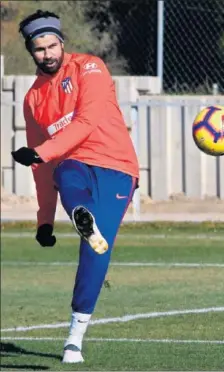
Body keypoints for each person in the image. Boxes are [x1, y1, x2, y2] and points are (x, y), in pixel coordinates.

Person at [12, 9, 139, 364]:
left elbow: (86, 122)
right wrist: (44, 220)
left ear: (62, 42)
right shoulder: (33, 99)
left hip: (115, 167)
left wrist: (39, 151)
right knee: (63, 172)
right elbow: (43, 167)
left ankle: (74, 337)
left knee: (97, 250)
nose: (48, 54)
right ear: (30, 51)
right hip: (72, 165)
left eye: (52, 45)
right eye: (39, 49)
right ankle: (81, 215)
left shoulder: (90, 68)